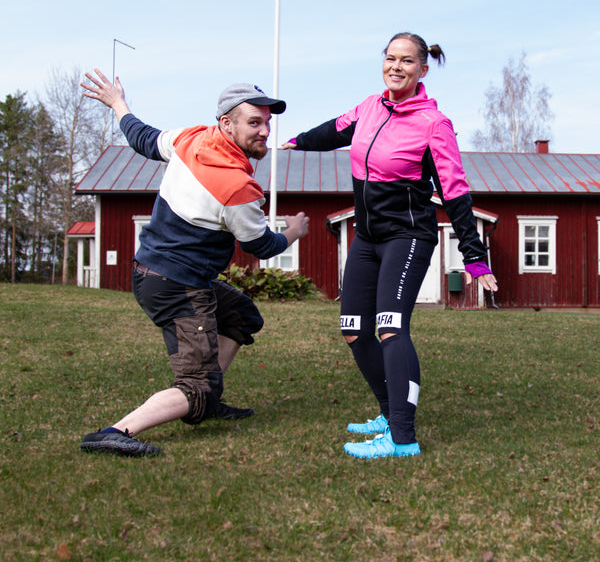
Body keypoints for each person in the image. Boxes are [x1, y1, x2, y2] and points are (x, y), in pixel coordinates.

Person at [282, 32, 498, 459]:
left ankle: (402, 437)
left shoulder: (434, 125)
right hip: (368, 237)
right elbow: (335, 130)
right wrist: (297, 141)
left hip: (408, 237)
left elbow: (455, 192)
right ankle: (387, 411)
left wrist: (474, 257)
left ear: (422, 69)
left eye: (406, 61)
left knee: (390, 327)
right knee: (352, 329)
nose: (396, 67)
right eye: (390, 58)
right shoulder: (369, 107)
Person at [79, 70, 309, 457]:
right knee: (196, 384)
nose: (264, 131)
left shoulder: (191, 138)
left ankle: (210, 398)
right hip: (177, 285)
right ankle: (116, 431)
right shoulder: (236, 186)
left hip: (155, 272)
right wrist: (296, 231)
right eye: (254, 122)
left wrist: (118, 104)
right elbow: (262, 246)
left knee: (241, 316)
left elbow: (143, 138)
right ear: (226, 123)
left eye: (267, 123)